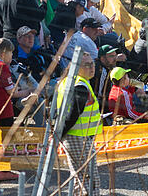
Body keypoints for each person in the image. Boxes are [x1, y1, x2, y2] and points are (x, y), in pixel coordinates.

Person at [56, 54, 102, 196]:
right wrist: (58, 134)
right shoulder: (80, 85)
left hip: (77, 136)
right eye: (87, 65)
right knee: (90, 181)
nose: (92, 67)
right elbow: (72, 115)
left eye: (92, 64)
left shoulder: (71, 81)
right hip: (78, 138)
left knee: (80, 179)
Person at [0, 37, 34, 127]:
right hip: (3, 112)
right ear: (3, 54)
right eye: (10, 53)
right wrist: (28, 92)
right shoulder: (2, 67)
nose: (12, 55)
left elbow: (0, 85)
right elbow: (12, 93)